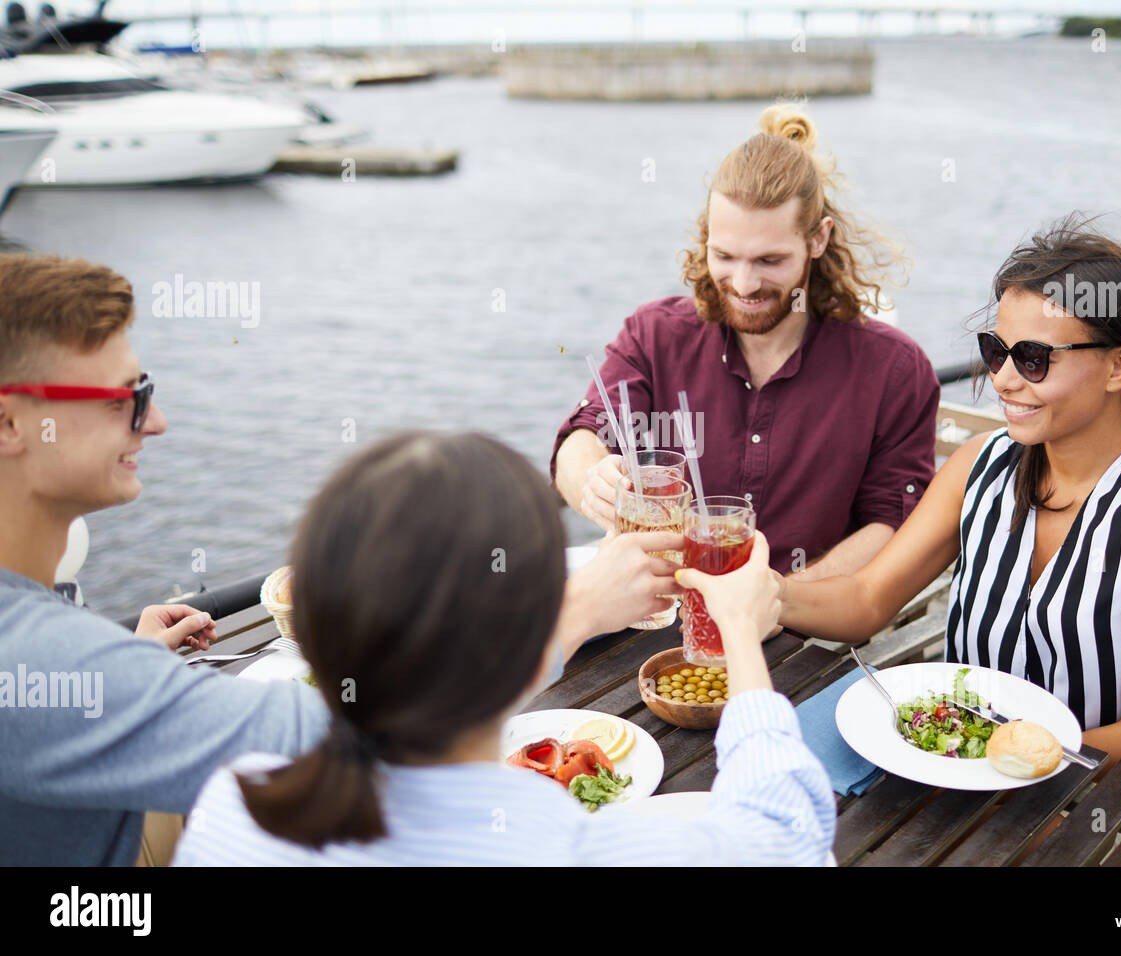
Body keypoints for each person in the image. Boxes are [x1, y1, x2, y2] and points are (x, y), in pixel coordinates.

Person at [0, 254, 674, 866]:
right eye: (125, 398)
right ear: (10, 424)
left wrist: (132, 678)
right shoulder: (40, 657)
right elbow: (350, 740)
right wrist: (573, 614)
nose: (155, 422)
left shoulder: (51, 637)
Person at [173, 431, 835, 866]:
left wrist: (569, 617)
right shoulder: (553, 845)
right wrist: (741, 636)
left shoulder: (231, 801)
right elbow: (791, 835)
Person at [778, 217, 1121, 772]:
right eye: (997, 350)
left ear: (1120, 366)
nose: (1002, 379)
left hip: (1104, 796)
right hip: (958, 768)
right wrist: (765, 592)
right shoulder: (979, 464)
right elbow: (866, 601)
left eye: (1035, 359)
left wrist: (987, 763)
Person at [551, 104, 939, 582]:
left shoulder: (894, 370)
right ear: (706, 238)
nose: (744, 282)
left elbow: (893, 521)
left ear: (818, 239)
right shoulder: (654, 334)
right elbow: (582, 436)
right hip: (664, 611)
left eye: (769, 260)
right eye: (725, 255)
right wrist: (595, 480)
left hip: (805, 630)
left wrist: (774, 596)